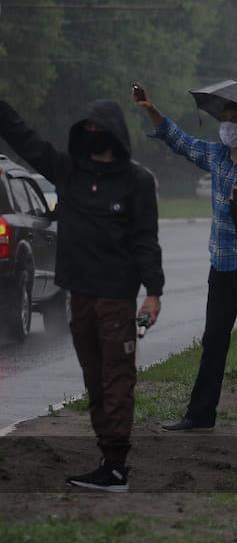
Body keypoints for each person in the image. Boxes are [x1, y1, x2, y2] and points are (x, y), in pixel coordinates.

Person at [0, 98, 163, 492]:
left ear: (115, 134)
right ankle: (107, 458)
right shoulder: (68, 170)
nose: (92, 134)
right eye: (87, 128)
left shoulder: (137, 182)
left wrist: (153, 293)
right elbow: (25, 139)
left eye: (98, 129)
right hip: (79, 296)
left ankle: (117, 466)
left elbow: (146, 241)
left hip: (117, 299)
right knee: (94, 377)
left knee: (117, 377)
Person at [136, 85, 237, 432]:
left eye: (233, 121)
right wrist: (152, 109)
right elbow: (181, 142)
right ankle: (201, 413)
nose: (226, 127)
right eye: (224, 120)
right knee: (214, 339)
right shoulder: (217, 156)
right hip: (221, 264)